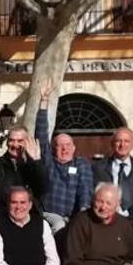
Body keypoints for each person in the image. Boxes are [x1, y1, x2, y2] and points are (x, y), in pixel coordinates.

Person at [34, 87, 94, 229]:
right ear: (53, 149)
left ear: (74, 148)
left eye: (67, 145)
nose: (64, 148)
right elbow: (41, 135)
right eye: (60, 145)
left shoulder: (81, 165)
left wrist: (84, 209)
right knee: (59, 225)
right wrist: (44, 102)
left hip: (74, 216)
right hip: (51, 214)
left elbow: (85, 189)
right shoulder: (50, 163)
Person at [0, 124, 47, 219]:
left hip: (30, 216)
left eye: (20, 141)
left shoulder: (33, 164)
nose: (15, 145)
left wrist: (36, 161)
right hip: (1, 215)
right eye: (11, 140)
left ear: (27, 142)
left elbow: (43, 188)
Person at [92, 127, 133, 224]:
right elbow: (91, 195)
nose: (122, 145)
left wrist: (132, 221)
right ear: (112, 144)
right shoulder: (98, 169)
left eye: (127, 141)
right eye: (118, 141)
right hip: (106, 223)